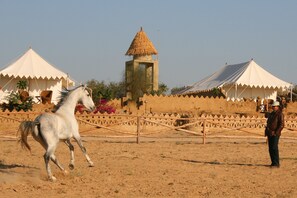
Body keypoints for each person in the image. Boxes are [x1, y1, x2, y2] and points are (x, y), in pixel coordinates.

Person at [265, 101, 284, 168]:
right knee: (270, 148)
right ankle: (273, 162)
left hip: (275, 133)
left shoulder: (280, 114)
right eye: (273, 106)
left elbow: (281, 125)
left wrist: (276, 132)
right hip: (270, 133)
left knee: (274, 148)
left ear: (277, 107)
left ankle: (276, 163)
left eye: (274, 106)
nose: (273, 107)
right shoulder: (272, 114)